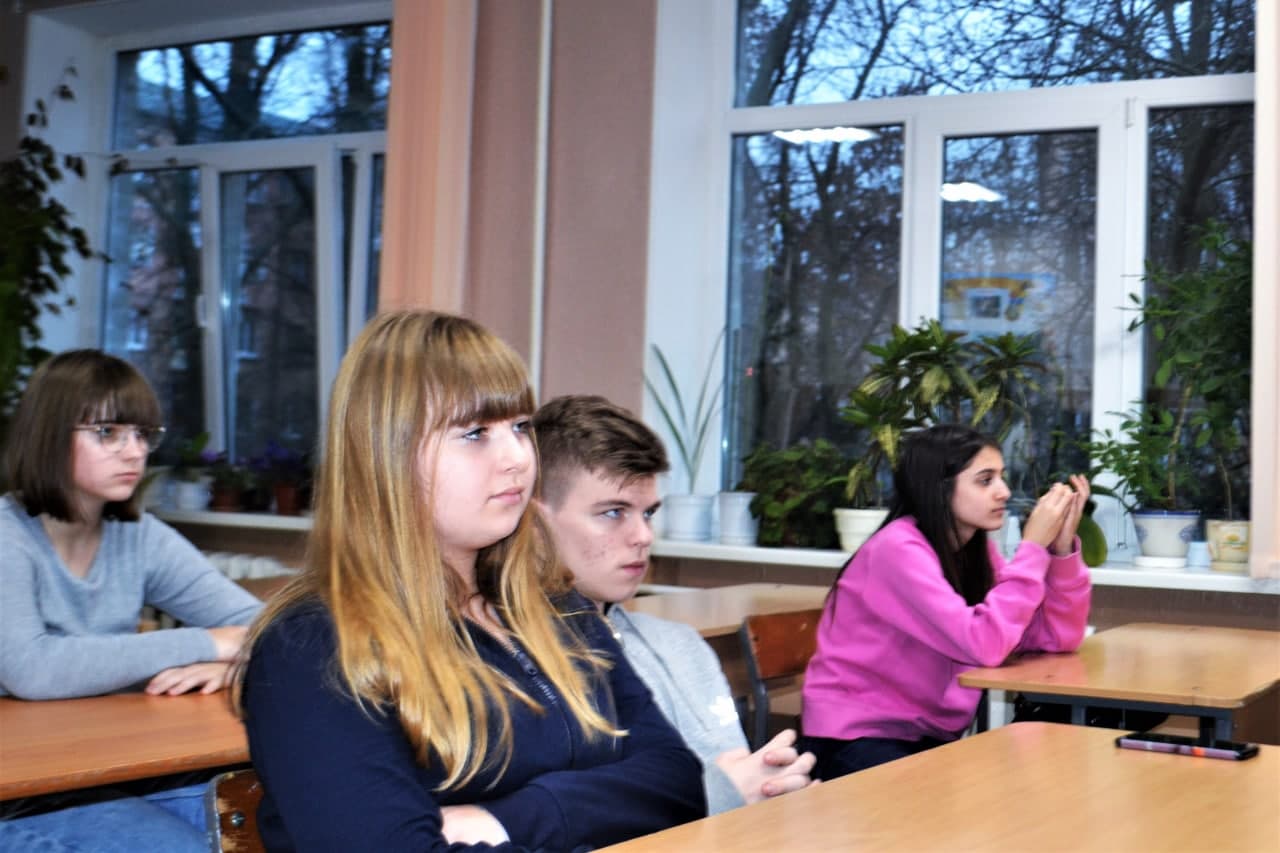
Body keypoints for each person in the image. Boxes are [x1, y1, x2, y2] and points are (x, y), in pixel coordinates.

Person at [236, 311, 705, 852]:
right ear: (388, 456)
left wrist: (505, 820)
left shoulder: (557, 606)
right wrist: (595, 807)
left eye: (520, 427)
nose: (517, 458)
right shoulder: (316, 646)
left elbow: (678, 782)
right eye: (475, 433)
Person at [0, 349, 264, 851]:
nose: (134, 452)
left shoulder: (138, 535)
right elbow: (31, 670)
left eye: (142, 434)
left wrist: (236, 663)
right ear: (49, 435)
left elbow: (271, 625)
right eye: (108, 433)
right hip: (16, 788)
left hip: (100, 765)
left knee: (263, 814)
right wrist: (210, 643)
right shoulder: (6, 535)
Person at [533, 394, 816, 815]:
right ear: (535, 523)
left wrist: (770, 784)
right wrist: (725, 792)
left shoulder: (681, 644)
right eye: (613, 513)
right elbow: (580, 820)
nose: (643, 536)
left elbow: (734, 777)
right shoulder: (520, 666)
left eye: (648, 514)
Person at [801, 424, 1093, 780]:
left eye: (1001, 477)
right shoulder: (897, 550)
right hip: (856, 738)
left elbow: (1054, 638)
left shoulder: (973, 551)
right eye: (985, 481)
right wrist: (1031, 549)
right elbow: (985, 645)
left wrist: (1060, 552)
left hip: (920, 735)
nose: (1003, 492)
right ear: (939, 487)